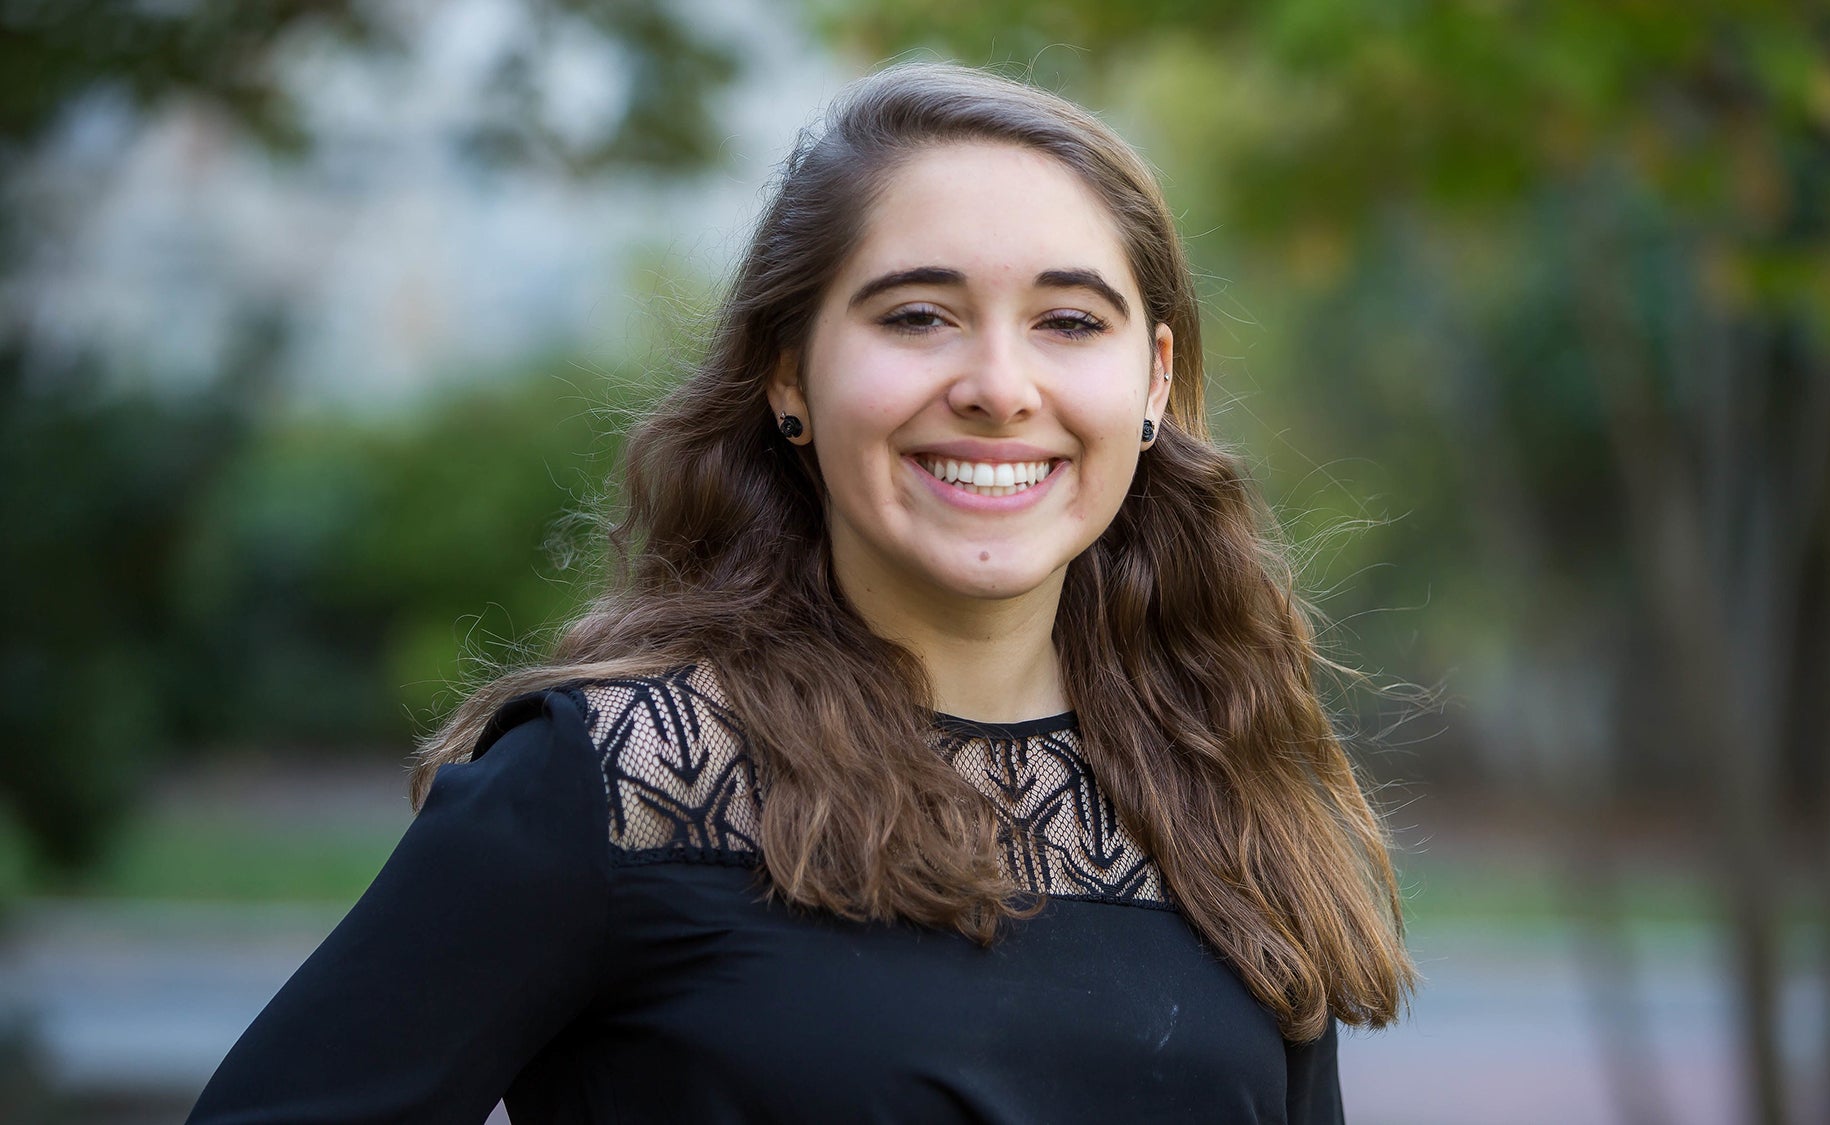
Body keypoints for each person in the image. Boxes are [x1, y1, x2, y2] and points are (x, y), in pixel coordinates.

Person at [189, 61, 1415, 1124]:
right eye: (919, 315)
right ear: (789, 373)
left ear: (1150, 379)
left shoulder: (1213, 778)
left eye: (1067, 320)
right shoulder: (608, 784)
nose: (998, 384)